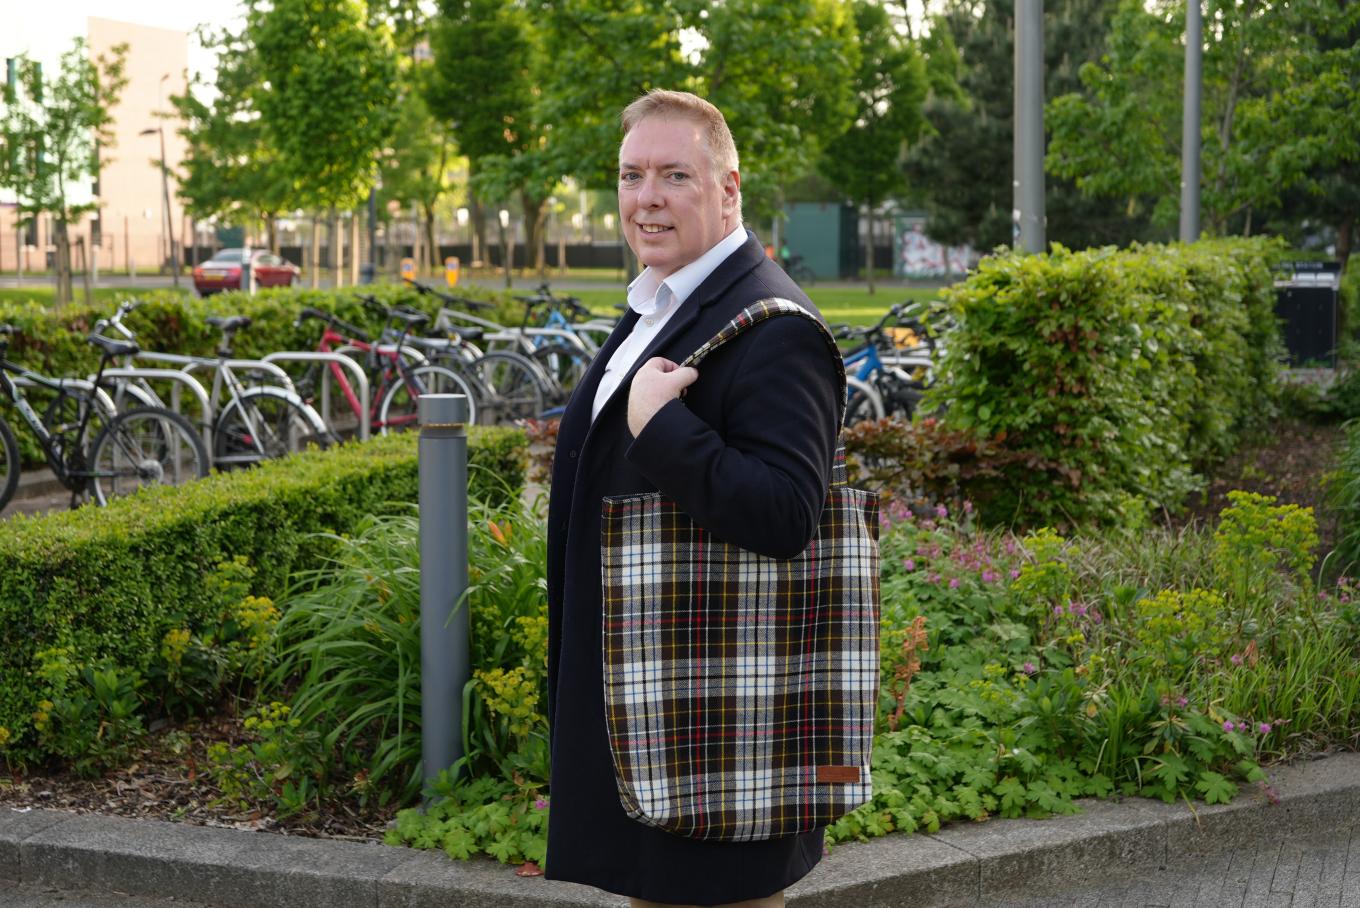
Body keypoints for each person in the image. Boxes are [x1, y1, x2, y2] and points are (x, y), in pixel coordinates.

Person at [544, 89, 842, 907]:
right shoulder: (662, 299)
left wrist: (662, 427)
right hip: (663, 701)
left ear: (728, 188)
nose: (646, 198)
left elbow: (786, 513)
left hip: (719, 715)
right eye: (631, 175)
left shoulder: (775, 326)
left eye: (674, 175)